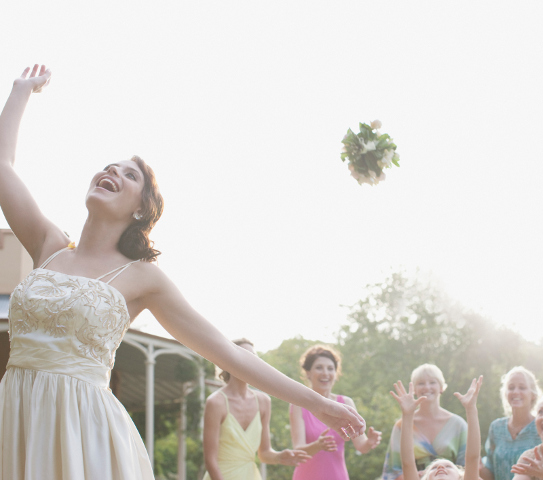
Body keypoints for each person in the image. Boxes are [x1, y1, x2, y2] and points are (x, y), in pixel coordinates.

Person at [0, 65, 365, 480]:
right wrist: (20, 92)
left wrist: (319, 404)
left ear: (141, 209)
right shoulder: (47, 245)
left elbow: (227, 354)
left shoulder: (143, 278)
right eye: (110, 166)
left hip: (85, 433)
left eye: (129, 173)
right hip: (16, 420)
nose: (113, 171)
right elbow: (2, 166)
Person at [203, 339, 311, 480]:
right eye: (244, 355)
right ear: (227, 360)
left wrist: (279, 457)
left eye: (254, 357)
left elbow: (264, 453)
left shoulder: (263, 401)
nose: (251, 362)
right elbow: (210, 460)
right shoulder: (216, 403)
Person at [289, 345, 382, 480]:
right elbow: (297, 451)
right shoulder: (298, 405)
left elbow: (361, 446)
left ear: (336, 374)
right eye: (319, 367)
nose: (325, 373)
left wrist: (370, 442)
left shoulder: (346, 403)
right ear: (308, 373)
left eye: (330, 368)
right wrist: (318, 446)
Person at [382, 364, 468, 480]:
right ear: (414, 390)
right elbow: (394, 469)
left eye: (432, 382)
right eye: (421, 383)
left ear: (441, 387)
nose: (427, 387)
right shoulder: (402, 425)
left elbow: (468, 466)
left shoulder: (459, 424)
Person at [480, 366, 543, 480]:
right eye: (511, 387)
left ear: (533, 394)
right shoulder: (496, 427)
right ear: (505, 393)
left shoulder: (541, 427)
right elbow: (490, 473)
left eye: (522, 387)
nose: (515, 392)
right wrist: (478, 466)